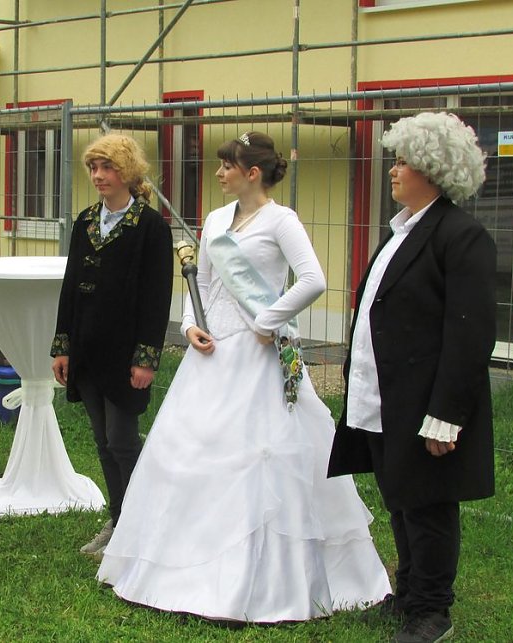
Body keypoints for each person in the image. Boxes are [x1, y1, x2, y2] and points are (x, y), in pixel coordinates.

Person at [97, 131, 391, 623]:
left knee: (259, 459)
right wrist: (191, 325)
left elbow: (314, 279)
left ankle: (262, 582)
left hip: (259, 355)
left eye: (226, 166)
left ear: (251, 173)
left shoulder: (282, 220)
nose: (218, 174)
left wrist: (268, 319)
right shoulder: (215, 220)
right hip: (213, 356)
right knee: (190, 453)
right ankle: (179, 570)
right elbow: (205, 284)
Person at [328, 112, 496, 643]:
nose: (393, 171)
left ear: (433, 168)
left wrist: (447, 414)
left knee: (428, 507)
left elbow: (470, 334)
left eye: (402, 162)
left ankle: (432, 611)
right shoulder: (401, 231)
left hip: (426, 403)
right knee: (399, 498)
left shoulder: (461, 236)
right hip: (384, 398)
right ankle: (407, 595)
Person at [50, 133, 174, 558]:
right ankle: (120, 517)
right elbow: (70, 288)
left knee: (123, 439)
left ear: (128, 172)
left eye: (107, 168)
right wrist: (62, 345)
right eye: (93, 168)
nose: (98, 176)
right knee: (102, 442)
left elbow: (157, 299)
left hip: (126, 356)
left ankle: (143, 520)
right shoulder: (85, 221)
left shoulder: (151, 227)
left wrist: (146, 359)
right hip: (87, 349)